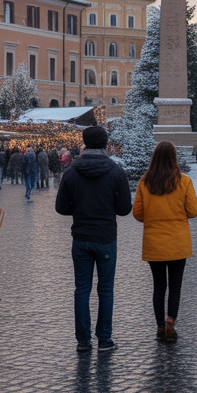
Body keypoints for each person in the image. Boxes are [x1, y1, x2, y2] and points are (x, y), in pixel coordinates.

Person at [56, 125, 132, 352]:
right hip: (106, 237)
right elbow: (124, 209)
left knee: (82, 289)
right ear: (105, 144)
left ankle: (83, 340)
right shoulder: (115, 171)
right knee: (105, 290)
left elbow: (61, 207)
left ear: (85, 143)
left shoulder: (71, 171)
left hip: (81, 237)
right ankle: (105, 339)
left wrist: (79, 209)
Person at [132, 141, 197, 343]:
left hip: (154, 241)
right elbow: (194, 211)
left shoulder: (144, 182)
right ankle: (171, 323)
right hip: (178, 241)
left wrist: (153, 218)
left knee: (159, 286)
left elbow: (137, 213)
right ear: (174, 158)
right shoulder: (184, 181)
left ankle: (160, 327)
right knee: (175, 286)